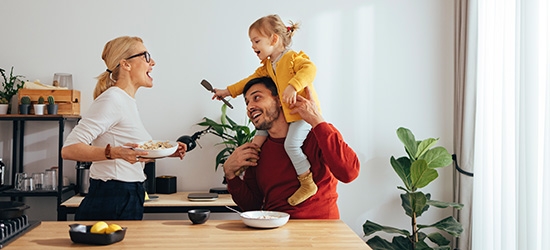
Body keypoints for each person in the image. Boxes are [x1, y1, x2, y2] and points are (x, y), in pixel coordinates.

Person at [61, 36, 187, 220]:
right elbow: (69, 150)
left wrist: (166, 152)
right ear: (126, 64)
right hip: (112, 197)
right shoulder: (112, 99)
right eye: (145, 56)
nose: (152, 62)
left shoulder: (125, 101)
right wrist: (116, 153)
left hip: (128, 194)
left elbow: (130, 151)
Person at [214, 14, 321, 206]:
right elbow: (248, 81)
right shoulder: (269, 66)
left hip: (300, 116)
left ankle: (306, 182)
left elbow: (310, 69)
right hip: (286, 116)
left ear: (274, 39)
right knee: (257, 142)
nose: (253, 46)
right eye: (251, 42)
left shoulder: (291, 58)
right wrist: (227, 92)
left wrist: (293, 86)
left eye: (256, 41)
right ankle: (244, 170)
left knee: (291, 145)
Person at [222, 77, 360, 219]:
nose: (249, 107)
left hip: (321, 233)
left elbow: (349, 174)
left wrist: (316, 119)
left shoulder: (318, 133)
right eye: (247, 103)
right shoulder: (257, 149)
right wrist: (230, 175)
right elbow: (253, 206)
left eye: (256, 98)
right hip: (276, 231)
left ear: (279, 100)